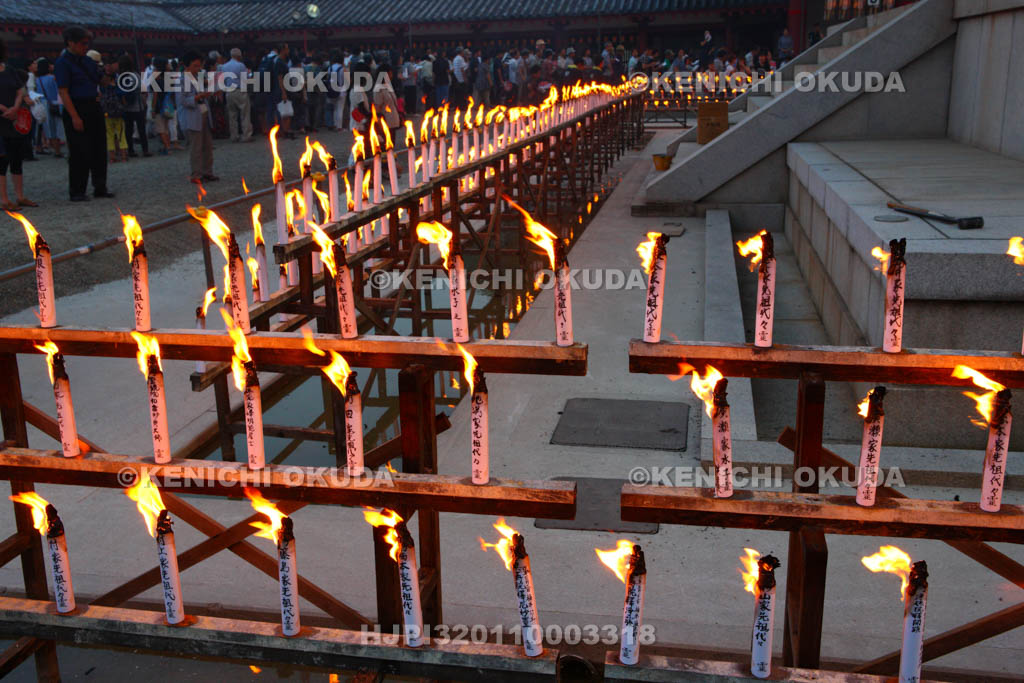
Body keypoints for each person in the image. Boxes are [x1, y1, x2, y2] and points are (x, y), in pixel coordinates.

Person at [55, 26, 112, 202]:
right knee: (80, 150)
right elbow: (63, 91)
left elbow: (100, 80)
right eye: (82, 43)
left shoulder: (87, 61)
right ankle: (77, 190)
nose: (85, 46)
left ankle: (100, 186)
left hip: (93, 105)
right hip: (76, 106)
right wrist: (74, 116)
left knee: (99, 147)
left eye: (87, 43)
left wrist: (107, 73)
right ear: (70, 42)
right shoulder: (63, 63)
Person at [0, 38, 36, 210]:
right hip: (2, 119)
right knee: (2, 160)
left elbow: (20, 89)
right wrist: (4, 109)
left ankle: (20, 196)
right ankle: (4, 199)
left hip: (14, 119)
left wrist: (15, 107)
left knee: (16, 158)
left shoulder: (10, 70)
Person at [178, 50, 217, 183]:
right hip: (192, 115)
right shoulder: (181, 80)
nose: (198, 68)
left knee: (207, 145)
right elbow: (182, 101)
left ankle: (207, 172)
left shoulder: (198, 77)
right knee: (196, 148)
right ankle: (196, 174)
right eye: (195, 65)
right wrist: (197, 97)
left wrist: (208, 92)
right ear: (187, 66)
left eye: (199, 65)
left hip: (203, 112)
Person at [117, 55, 149, 158]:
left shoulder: (120, 76)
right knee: (141, 129)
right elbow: (142, 88)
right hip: (138, 105)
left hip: (126, 106)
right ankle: (145, 150)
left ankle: (130, 150)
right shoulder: (135, 74)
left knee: (128, 130)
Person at [98, 56, 128, 163]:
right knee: (121, 134)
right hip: (118, 112)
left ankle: (112, 157)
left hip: (107, 112)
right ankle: (124, 156)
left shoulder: (102, 86)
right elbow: (123, 97)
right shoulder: (118, 85)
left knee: (109, 135)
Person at [221, 47, 252, 141]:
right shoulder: (241, 65)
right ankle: (246, 135)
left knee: (232, 115)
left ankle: (234, 135)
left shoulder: (224, 66)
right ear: (239, 56)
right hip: (239, 90)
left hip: (229, 92)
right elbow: (245, 78)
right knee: (244, 114)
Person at [36, 58, 64, 158]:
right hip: (55, 103)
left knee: (49, 128)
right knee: (58, 126)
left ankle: (54, 149)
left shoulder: (37, 79)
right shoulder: (53, 78)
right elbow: (59, 92)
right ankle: (58, 150)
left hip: (43, 104)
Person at [399, 50, 418, 115]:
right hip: (411, 83)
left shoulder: (403, 64)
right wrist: (417, 70)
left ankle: (407, 111)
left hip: (405, 84)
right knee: (412, 98)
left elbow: (402, 74)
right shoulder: (410, 64)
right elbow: (413, 72)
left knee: (407, 98)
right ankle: (413, 111)